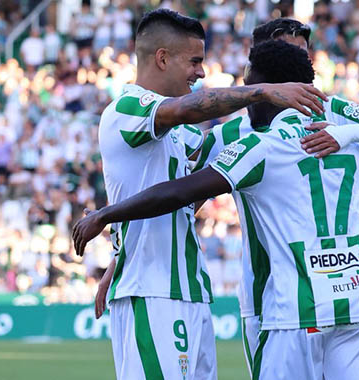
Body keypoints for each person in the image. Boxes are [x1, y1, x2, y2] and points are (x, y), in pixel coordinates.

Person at [74, 39, 359, 380]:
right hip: (357, 301)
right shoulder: (344, 138)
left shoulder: (255, 146)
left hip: (294, 310)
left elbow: (179, 191)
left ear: (270, 90)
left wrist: (106, 214)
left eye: (251, 87)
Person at [89, 9, 327, 380]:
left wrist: (118, 256)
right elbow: (184, 110)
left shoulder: (186, 136)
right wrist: (263, 90)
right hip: (151, 292)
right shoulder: (125, 110)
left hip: (192, 293)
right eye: (195, 61)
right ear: (162, 58)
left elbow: (183, 195)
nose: (201, 72)